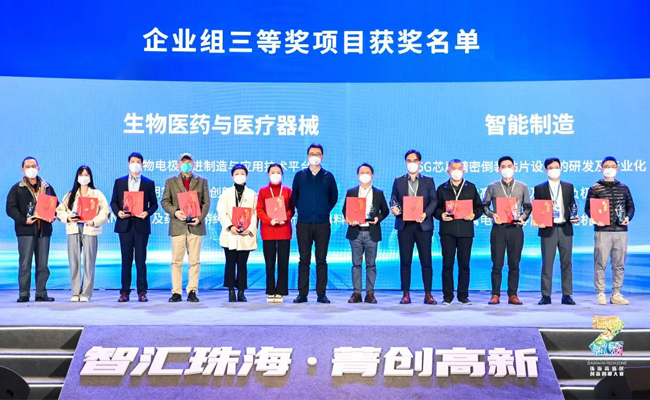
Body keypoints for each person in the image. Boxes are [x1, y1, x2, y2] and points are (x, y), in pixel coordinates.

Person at [291, 143, 338, 304]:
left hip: (322, 223)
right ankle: (302, 294)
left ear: (322, 157)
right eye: (312, 154)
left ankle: (321, 294)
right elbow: (295, 197)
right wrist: (304, 210)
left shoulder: (328, 176)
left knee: (321, 260)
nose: (315, 156)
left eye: (318, 154)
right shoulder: (300, 176)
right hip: (303, 223)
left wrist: (323, 210)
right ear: (307, 156)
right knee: (304, 259)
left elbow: (333, 197)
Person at [6, 156, 57, 302]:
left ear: (38, 168)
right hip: (25, 231)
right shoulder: (17, 188)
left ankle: (41, 293)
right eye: (28, 167)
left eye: (33, 166)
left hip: (44, 231)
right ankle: (24, 294)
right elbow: (10, 208)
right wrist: (24, 220)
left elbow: (55, 205)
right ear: (22, 169)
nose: (31, 169)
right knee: (25, 264)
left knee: (43, 265)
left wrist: (52, 216)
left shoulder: (47, 187)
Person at [390, 149, 438, 305]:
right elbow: (393, 200)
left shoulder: (428, 181)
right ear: (405, 163)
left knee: (426, 261)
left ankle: (428, 294)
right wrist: (394, 208)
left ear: (420, 163)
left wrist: (425, 213)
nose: (412, 163)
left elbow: (434, 201)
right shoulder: (398, 181)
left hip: (423, 225)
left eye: (415, 160)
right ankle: (406, 294)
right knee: (405, 261)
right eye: (409, 161)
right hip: (405, 226)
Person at [585, 156, 635, 305]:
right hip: (602, 231)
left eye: (612, 166)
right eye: (606, 166)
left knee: (619, 264)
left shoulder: (624, 188)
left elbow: (631, 207)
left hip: (621, 231)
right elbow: (588, 208)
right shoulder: (595, 188)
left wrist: (628, 217)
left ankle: (616, 294)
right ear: (601, 169)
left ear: (617, 169)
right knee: (600, 263)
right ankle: (600, 293)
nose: (609, 169)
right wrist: (595, 217)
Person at [56, 165, 110, 302]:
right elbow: (60, 210)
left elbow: (105, 212)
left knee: (89, 262)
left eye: (86, 175)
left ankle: (85, 293)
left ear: (90, 177)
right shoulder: (71, 194)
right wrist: (68, 217)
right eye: (81, 175)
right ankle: (75, 292)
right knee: (74, 262)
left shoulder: (97, 194)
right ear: (77, 177)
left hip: (90, 230)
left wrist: (94, 221)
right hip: (73, 229)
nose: (84, 177)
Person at [483, 156, 532, 305]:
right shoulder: (492, 186)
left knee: (514, 263)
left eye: (509, 166)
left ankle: (513, 294)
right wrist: (493, 215)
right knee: (497, 263)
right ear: (498, 169)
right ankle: (495, 294)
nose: (506, 169)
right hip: (498, 228)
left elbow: (528, 207)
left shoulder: (522, 187)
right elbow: (484, 206)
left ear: (514, 168)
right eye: (503, 166)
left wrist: (522, 218)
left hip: (516, 228)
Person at [161, 153, 210, 303]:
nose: (186, 165)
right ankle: (176, 292)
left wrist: (199, 218)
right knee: (176, 261)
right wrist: (175, 211)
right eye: (183, 162)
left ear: (193, 164)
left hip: (196, 226)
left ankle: (192, 291)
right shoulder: (171, 181)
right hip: (178, 225)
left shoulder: (201, 181)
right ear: (178, 165)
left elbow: (206, 203)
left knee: (194, 261)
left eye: (189, 162)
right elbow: (165, 201)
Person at [433, 159, 483, 305]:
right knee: (447, 265)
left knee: (464, 265)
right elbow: (435, 208)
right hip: (447, 232)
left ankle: (463, 296)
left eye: (459, 168)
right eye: (453, 168)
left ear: (464, 170)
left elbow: (479, 207)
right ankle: (447, 296)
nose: (456, 171)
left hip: (466, 231)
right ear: (448, 171)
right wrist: (441, 214)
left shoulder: (471, 187)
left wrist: (474, 214)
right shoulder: (442, 189)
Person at [110, 152, 158, 302]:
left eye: (138, 162)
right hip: (125, 225)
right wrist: (118, 212)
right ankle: (124, 292)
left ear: (142, 165)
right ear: (128, 164)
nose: (135, 164)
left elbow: (154, 204)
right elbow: (113, 202)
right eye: (132, 161)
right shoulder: (120, 182)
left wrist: (147, 212)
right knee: (126, 260)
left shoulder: (148, 183)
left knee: (141, 260)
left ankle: (142, 292)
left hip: (141, 225)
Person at [534, 157, 579, 306]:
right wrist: (539, 220)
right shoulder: (539, 188)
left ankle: (567, 295)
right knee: (547, 263)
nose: (554, 170)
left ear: (561, 168)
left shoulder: (568, 187)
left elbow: (572, 205)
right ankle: (546, 295)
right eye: (551, 168)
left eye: (556, 167)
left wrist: (574, 217)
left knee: (567, 263)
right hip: (548, 229)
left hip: (565, 228)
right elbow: (538, 208)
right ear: (546, 170)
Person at [342, 163, 389, 304]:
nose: (364, 175)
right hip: (356, 232)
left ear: (372, 175)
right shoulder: (351, 192)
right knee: (356, 264)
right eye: (362, 172)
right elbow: (345, 210)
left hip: (371, 232)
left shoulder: (378, 193)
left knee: (371, 264)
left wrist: (378, 218)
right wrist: (349, 219)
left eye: (367, 172)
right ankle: (356, 293)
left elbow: (385, 210)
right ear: (358, 176)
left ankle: (370, 293)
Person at [217, 164, 258, 302]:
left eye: (242, 174)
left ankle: (241, 292)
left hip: (245, 235)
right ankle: (230, 291)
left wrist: (250, 228)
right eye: (236, 174)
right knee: (230, 264)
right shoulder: (226, 193)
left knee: (242, 265)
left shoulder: (251, 194)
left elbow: (255, 213)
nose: (239, 176)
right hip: (230, 234)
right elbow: (221, 211)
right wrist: (230, 226)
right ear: (232, 176)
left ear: (246, 176)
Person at [256, 163, 295, 303]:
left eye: (278, 172)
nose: (275, 174)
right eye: (272, 172)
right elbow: (259, 210)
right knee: (270, 263)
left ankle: (281, 291)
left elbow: (292, 209)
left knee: (283, 263)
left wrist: (285, 217)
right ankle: (271, 291)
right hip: (268, 231)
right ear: (268, 174)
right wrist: (269, 220)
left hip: (284, 230)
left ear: (282, 174)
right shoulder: (263, 191)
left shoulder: (287, 191)